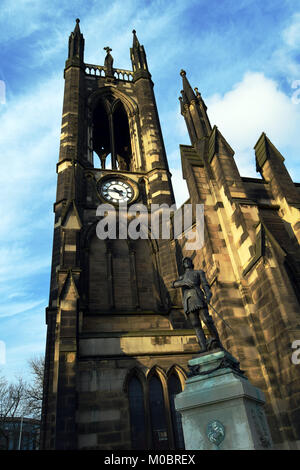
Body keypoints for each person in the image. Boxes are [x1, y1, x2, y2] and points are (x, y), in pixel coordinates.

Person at [172, 257, 223, 352]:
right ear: (183, 265)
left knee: (207, 320)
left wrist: (208, 295)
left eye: (188, 261)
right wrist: (184, 282)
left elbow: (205, 285)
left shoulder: (198, 272)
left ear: (192, 263)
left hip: (198, 297)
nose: (186, 262)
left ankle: (218, 342)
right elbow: (173, 284)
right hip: (188, 300)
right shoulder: (182, 277)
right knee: (196, 324)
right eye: (184, 262)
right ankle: (203, 347)